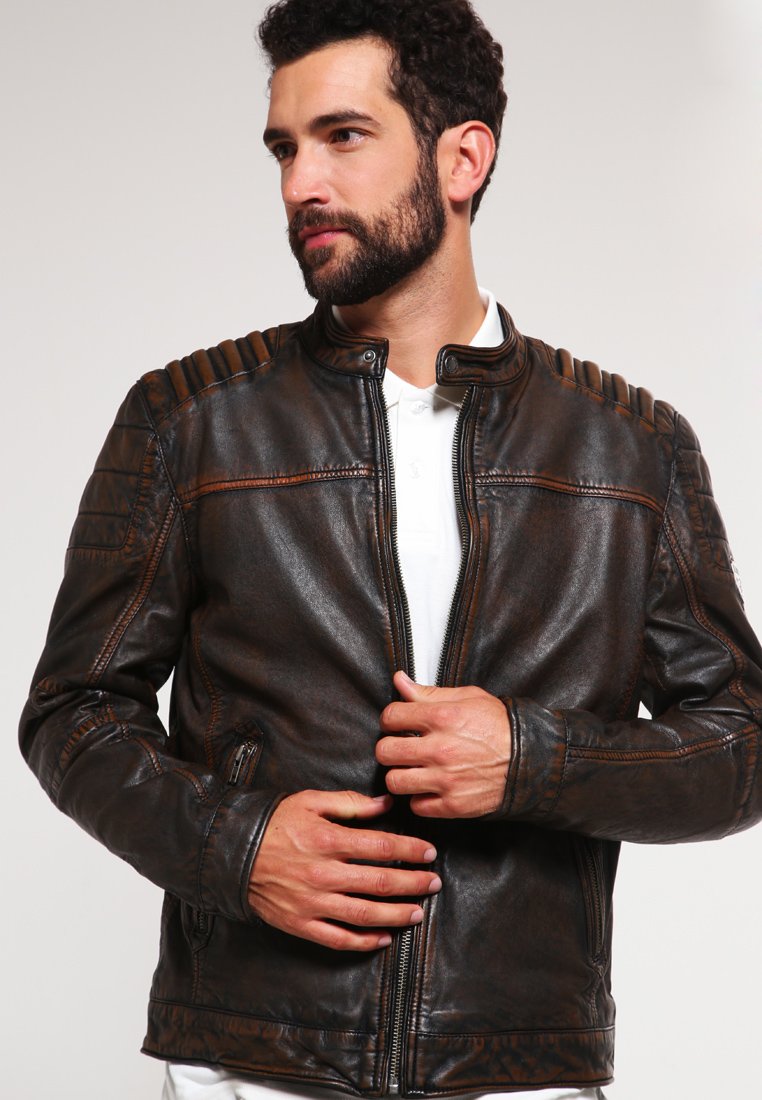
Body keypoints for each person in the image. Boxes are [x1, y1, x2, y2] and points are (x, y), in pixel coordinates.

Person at [18, 1, 762, 1098]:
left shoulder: (630, 448)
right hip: (250, 1064)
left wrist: (533, 758)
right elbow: (73, 710)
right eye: (284, 148)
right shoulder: (189, 421)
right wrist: (237, 848)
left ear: (464, 158)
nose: (300, 184)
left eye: (343, 137)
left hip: (517, 1071)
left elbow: (742, 743)